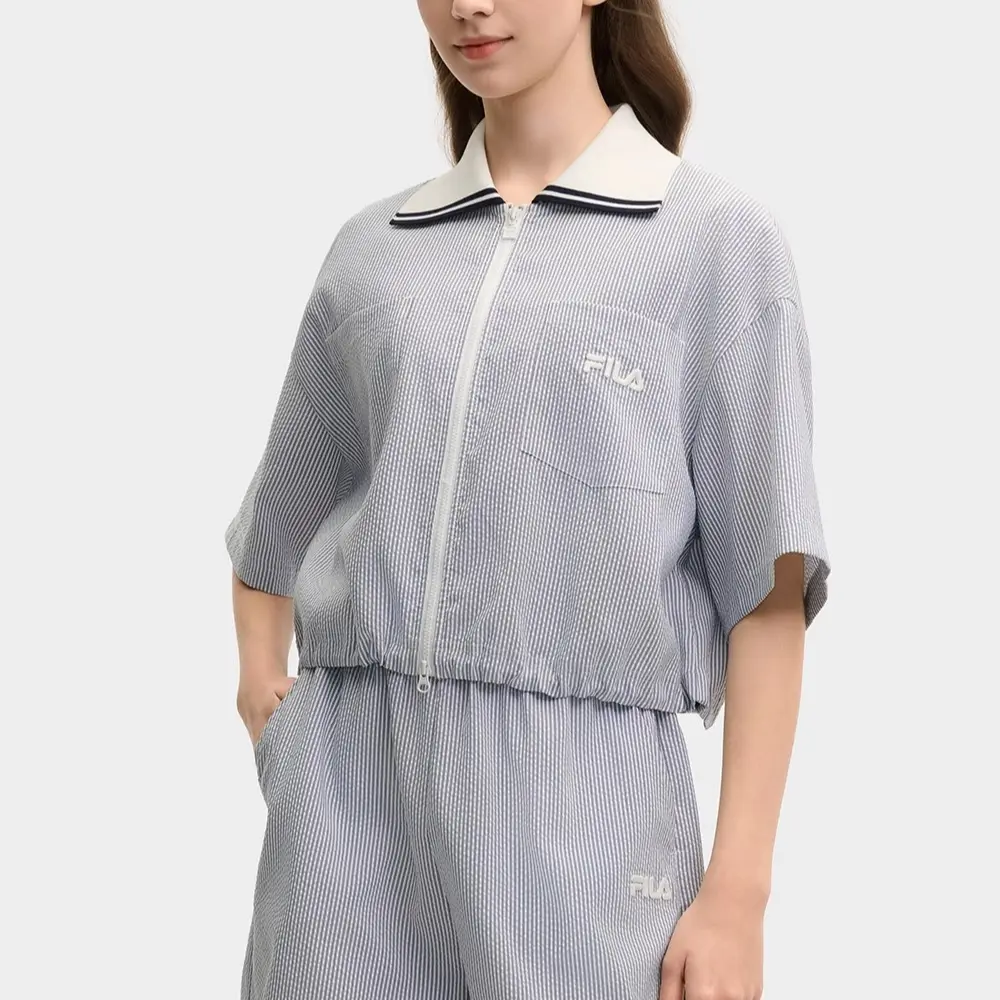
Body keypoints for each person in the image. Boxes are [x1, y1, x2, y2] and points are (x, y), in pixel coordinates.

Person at [225, 1, 831, 998]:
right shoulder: (373, 250)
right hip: (342, 815)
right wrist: (265, 694)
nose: (469, 7)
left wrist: (738, 894)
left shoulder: (715, 244)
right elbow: (275, 527)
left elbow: (764, 594)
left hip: (583, 820)